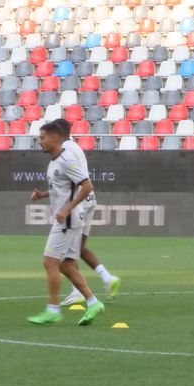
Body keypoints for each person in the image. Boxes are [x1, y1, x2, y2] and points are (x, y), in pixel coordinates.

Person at [27, 122, 105, 325]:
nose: (40, 141)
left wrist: (67, 208)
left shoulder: (66, 159)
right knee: (66, 265)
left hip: (68, 220)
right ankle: (93, 302)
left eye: (43, 137)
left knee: (49, 262)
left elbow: (87, 186)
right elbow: (61, 188)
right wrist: (42, 195)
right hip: (68, 219)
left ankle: (52, 309)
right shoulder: (54, 162)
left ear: (55, 138)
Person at [52, 119, 121, 306]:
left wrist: (68, 206)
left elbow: (71, 178)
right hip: (89, 200)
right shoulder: (76, 147)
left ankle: (79, 292)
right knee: (78, 248)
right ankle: (107, 278)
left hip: (79, 203)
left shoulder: (66, 151)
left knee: (65, 253)